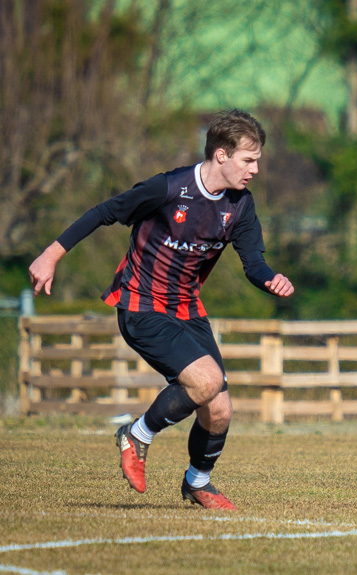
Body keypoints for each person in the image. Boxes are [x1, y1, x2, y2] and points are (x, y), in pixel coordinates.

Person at [28, 109, 294, 510]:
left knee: (219, 408)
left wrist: (270, 278)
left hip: (187, 309)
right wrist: (51, 254)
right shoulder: (168, 188)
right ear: (221, 155)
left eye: (257, 160)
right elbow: (104, 213)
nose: (255, 169)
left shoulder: (240, 206)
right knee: (204, 383)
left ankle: (197, 482)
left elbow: (253, 263)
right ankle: (136, 435)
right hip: (141, 305)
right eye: (249, 159)